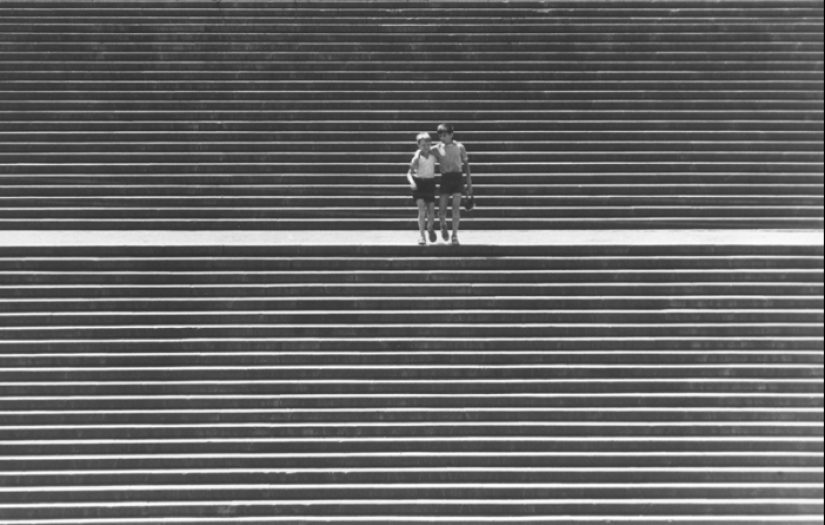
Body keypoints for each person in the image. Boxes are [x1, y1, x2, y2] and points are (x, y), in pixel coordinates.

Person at [435, 123, 472, 245]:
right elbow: (424, 152)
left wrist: (469, 184)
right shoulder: (438, 148)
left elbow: (466, 166)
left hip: (457, 178)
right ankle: (443, 224)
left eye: (444, 135)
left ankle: (455, 235)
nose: (442, 138)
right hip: (445, 178)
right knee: (442, 210)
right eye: (440, 136)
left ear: (451, 134)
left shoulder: (460, 147)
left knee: (456, 208)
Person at [407, 132, 438, 245]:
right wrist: (412, 183)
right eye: (423, 145)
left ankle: (430, 227)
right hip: (419, 183)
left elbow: (443, 151)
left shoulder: (434, 155)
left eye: (428, 144)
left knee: (431, 213)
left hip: (430, 183)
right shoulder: (416, 158)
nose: (426, 147)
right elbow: (409, 173)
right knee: (421, 210)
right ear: (419, 145)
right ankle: (422, 236)